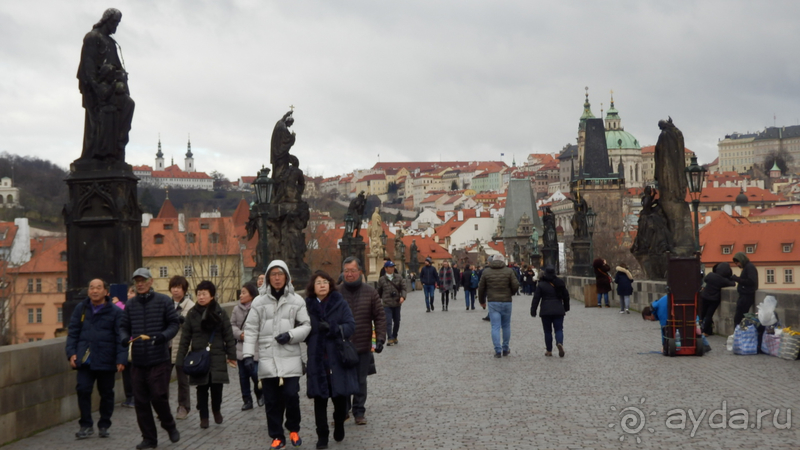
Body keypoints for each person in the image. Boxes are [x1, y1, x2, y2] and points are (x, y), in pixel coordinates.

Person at [242, 261, 311, 450]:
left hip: (289, 355)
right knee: (271, 401)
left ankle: (293, 428)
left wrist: (290, 335)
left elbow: (306, 326)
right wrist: (248, 354)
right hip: (267, 357)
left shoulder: (296, 300)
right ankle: (277, 436)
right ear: (268, 278)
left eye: (280, 274)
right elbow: (250, 329)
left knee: (291, 395)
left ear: (287, 277)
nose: (277, 278)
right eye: (273, 274)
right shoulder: (258, 301)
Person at [119, 268, 180, 449]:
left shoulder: (163, 301)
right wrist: (124, 337)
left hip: (159, 359)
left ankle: (169, 425)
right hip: (138, 361)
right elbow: (123, 326)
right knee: (141, 402)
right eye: (137, 281)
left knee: (158, 396)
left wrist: (163, 336)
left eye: (143, 280)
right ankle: (149, 439)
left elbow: (174, 323)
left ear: (151, 281)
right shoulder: (130, 305)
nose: (140, 284)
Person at [304, 271, 359, 449]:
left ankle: (340, 422)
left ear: (330, 285)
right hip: (317, 359)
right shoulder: (307, 306)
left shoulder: (340, 303)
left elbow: (350, 326)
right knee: (320, 400)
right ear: (313, 286)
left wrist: (333, 328)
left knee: (340, 399)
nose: (322, 285)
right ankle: (322, 436)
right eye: (318, 282)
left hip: (337, 358)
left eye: (325, 282)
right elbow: (301, 329)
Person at [66, 278, 126, 439]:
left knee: (106, 393)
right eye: (91, 287)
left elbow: (121, 337)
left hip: (107, 359)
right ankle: (86, 424)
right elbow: (73, 333)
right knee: (83, 389)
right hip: (85, 359)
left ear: (106, 292)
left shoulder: (116, 312)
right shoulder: (81, 309)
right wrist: (71, 353)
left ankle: (104, 424)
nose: (94, 290)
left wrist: (121, 359)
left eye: (98, 287)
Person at [175, 280, 236, 429]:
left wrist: (232, 355)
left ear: (212, 296)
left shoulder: (220, 312)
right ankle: (204, 416)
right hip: (198, 357)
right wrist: (180, 359)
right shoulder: (192, 314)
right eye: (199, 294)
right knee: (201, 388)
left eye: (204, 294)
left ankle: (216, 409)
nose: (201, 297)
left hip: (217, 355)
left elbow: (228, 334)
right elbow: (185, 338)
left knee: (217, 387)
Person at [77, 8, 134, 162]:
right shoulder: (92, 37)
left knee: (128, 104)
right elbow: (87, 66)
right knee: (98, 121)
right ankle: (98, 153)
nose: (116, 26)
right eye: (115, 22)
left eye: (118, 23)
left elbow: (117, 65)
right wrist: (97, 87)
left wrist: (121, 76)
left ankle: (118, 143)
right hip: (96, 88)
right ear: (107, 20)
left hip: (112, 85)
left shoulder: (111, 42)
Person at [338, 257, 387, 425]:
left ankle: (359, 411)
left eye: (352, 271)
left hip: (363, 343)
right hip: (342, 345)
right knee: (342, 379)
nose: (349, 274)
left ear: (359, 272)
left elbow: (380, 317)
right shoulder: (336, 293)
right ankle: (343, 411)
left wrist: (380, 338)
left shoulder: (370, 292)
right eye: (346, 271)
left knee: (360, 380)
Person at [478, 254, 519, 358]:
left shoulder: (486, 272)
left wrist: (482, 300)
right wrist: (511, 293)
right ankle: (505, 348)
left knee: (495, 326)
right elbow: (516, 285)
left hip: (493, 301)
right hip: (506, 301)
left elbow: (481, 288)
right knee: (506, 325)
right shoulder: (509, 271)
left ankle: (497, 350)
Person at [230, 283, 262, 411]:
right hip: (241, 347)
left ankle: (259, 392)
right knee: (243, 377)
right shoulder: (236, 309)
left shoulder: (258, 308)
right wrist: (240, 334)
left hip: (255, 347)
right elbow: (231, 325)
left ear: (252, 295)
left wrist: (251, 335)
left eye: (244, 293)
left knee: (255, 373)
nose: (240, 295)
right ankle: (247, 400)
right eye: (241, 292)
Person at [168, 275, 195, 420]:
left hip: (182, 347)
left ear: (184, 290)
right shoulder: (167, 303)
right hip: (167, 346)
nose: (176, 290)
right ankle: (163, 408)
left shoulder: (190, 306)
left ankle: (183, 406)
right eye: (173, 287)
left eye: (179, 287)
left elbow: (190, 326)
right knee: (162, 379)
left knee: (182, 380)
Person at [530, 266, 570, 357]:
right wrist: (566, 307)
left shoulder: (541, 284)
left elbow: (536, 298)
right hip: (558, 309)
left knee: (547, 331)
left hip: (545, 310)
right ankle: (559, 342)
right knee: (559, 329)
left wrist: (533, 310)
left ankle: (549, 350)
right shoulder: (560, 283)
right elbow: (566, 296)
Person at [700, 263, 735, 339]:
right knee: (709, 315)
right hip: (714, 299)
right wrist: (730, 278)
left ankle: (697, 329)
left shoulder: (710, 275)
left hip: (705, 296)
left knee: (702, 314)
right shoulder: (723, 280)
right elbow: (733, 284)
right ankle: (705, 331)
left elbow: (705, 279)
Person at [377, 260, 406, 346]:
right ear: (385, 268)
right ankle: (389, 338)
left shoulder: (399, 277)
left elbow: (404, 288)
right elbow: (379, 292)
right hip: (386, 304)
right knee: (388, 321)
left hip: (397, 303)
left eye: (393, 267)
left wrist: (403, 297)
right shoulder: (381, 280)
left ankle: (395, 335)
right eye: (390, 267)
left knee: (397, 321)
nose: (392, 268)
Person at [119, 285, 136, 408]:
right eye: (128, 292)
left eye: (131, 292)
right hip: (126, 343)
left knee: (134, 373)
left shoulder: (132, 307)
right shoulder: (126, 306)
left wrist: (117, 303)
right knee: (126, 373)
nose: (129, 295)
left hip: (134, 343)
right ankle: (129, 396)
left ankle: (134, 397)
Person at [731, 252, 759, 327]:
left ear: (741, 260)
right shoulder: (747, 267)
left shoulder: (749, 267)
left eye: (737, 263)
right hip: (744, 295)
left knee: (739, 318)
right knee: (739, 317)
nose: (737, 265)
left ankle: (737, 333)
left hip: (746, 296)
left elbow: (751, 281)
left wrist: (737, 279)